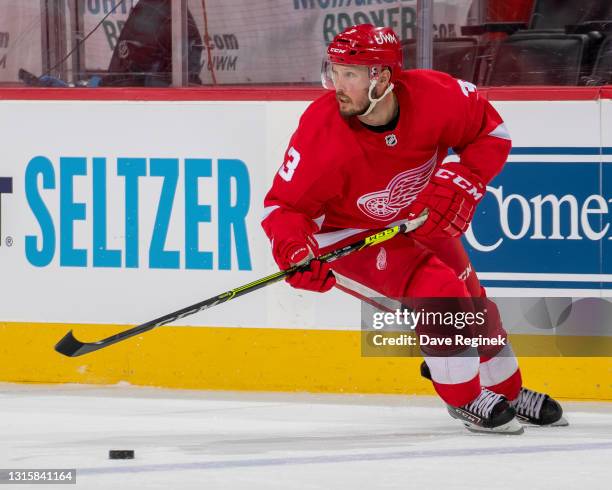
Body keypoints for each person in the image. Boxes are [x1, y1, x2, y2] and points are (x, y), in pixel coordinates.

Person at [261, 24, 567, 434]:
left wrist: (466, 177)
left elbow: (491, 132)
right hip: (347, 233)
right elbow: (283, 207)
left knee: (474, 301)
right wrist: (295, 251)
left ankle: (509, 393)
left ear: (383, 78)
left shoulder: (436, 96)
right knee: (439, 290)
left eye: (350, 73)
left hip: (412, 218)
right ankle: (464, 399)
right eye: (334, 71)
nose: (338, 84)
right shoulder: (321, 131)